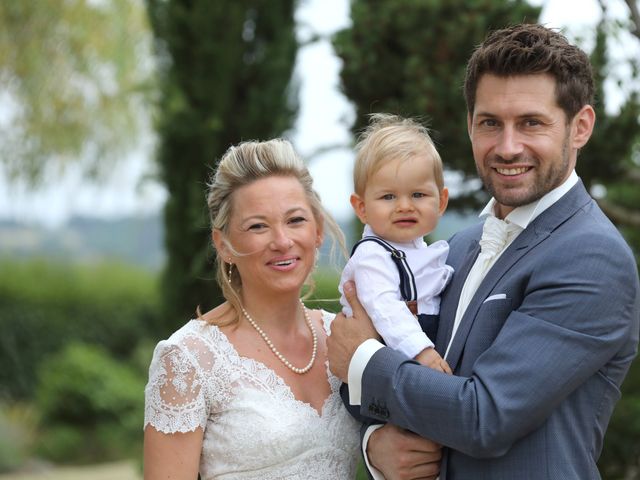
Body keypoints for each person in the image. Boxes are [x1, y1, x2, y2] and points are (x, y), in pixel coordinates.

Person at [328, 23, 640, 480]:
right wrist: (377, 444)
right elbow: (396, 374)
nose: (507, 147)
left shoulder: (592, 257)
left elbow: (484, 417)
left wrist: (361, 360)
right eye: (490, 123)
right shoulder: (454, 247)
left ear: (581, 127)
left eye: (531, 123)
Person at [143, 138, 360, 479]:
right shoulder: (189, 359)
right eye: (258, 226)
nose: (282, 241)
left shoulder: (345, 336)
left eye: (295, 220)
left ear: (317, 230)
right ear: (224, 245)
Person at [339, 113, 453, 373]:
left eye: (418, 194)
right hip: (379, 367)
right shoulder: (372, 256)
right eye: (388, 196)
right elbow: (384, 307)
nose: (404, 206)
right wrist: (421, 351)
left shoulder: (418, 251)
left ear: (441, 202)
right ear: (362, 207)